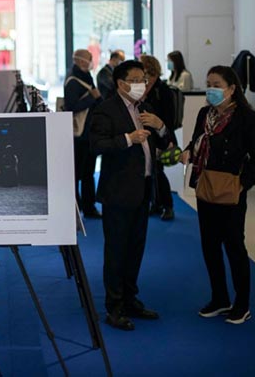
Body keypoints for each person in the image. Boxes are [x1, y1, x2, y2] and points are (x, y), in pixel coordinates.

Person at [89, 60, 171, 331]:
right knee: (116, 252)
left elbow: (166, 142)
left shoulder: (144, 108)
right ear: (121, 83)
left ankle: (130, 299)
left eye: (144, 79)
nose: (141, 84)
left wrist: (160, 126)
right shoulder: (106, 110)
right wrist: (127, 138)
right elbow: (96, 145)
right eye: (135, 80)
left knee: (136, 249)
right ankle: (114, 307)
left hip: (144, 189)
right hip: (118, 192)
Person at [181, 66, 255, 325]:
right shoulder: (204, 113)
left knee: (234, 246)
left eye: (216, 84)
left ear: (231, 89)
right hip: (205, 187)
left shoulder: (247, 118)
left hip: (230, 190)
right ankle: (219, 298)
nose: (211, 89)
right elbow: (196, 141)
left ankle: (242, 304)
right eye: (208, 84)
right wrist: (187, 152)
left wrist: (243, 185)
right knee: (210, 246)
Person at [64, 49, 102, 218]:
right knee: (80, 173)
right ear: (80, 61)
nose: (91, 62)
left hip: (89, 132)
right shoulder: (73, 81)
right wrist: (91, 98)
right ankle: (79, 206)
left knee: (87, 172)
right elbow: (71, 106)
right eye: (88, 59)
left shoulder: (85, 77)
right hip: (80, 135)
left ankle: (86, 205)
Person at [140, 55, 177, 221]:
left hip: (161, 136)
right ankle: (155, 204)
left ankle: (168, 205)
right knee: (152, 171)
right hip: (146, 137)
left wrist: (162, 133)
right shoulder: (143, 87)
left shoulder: (163, 90)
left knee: (159, 172)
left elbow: (169, 118)